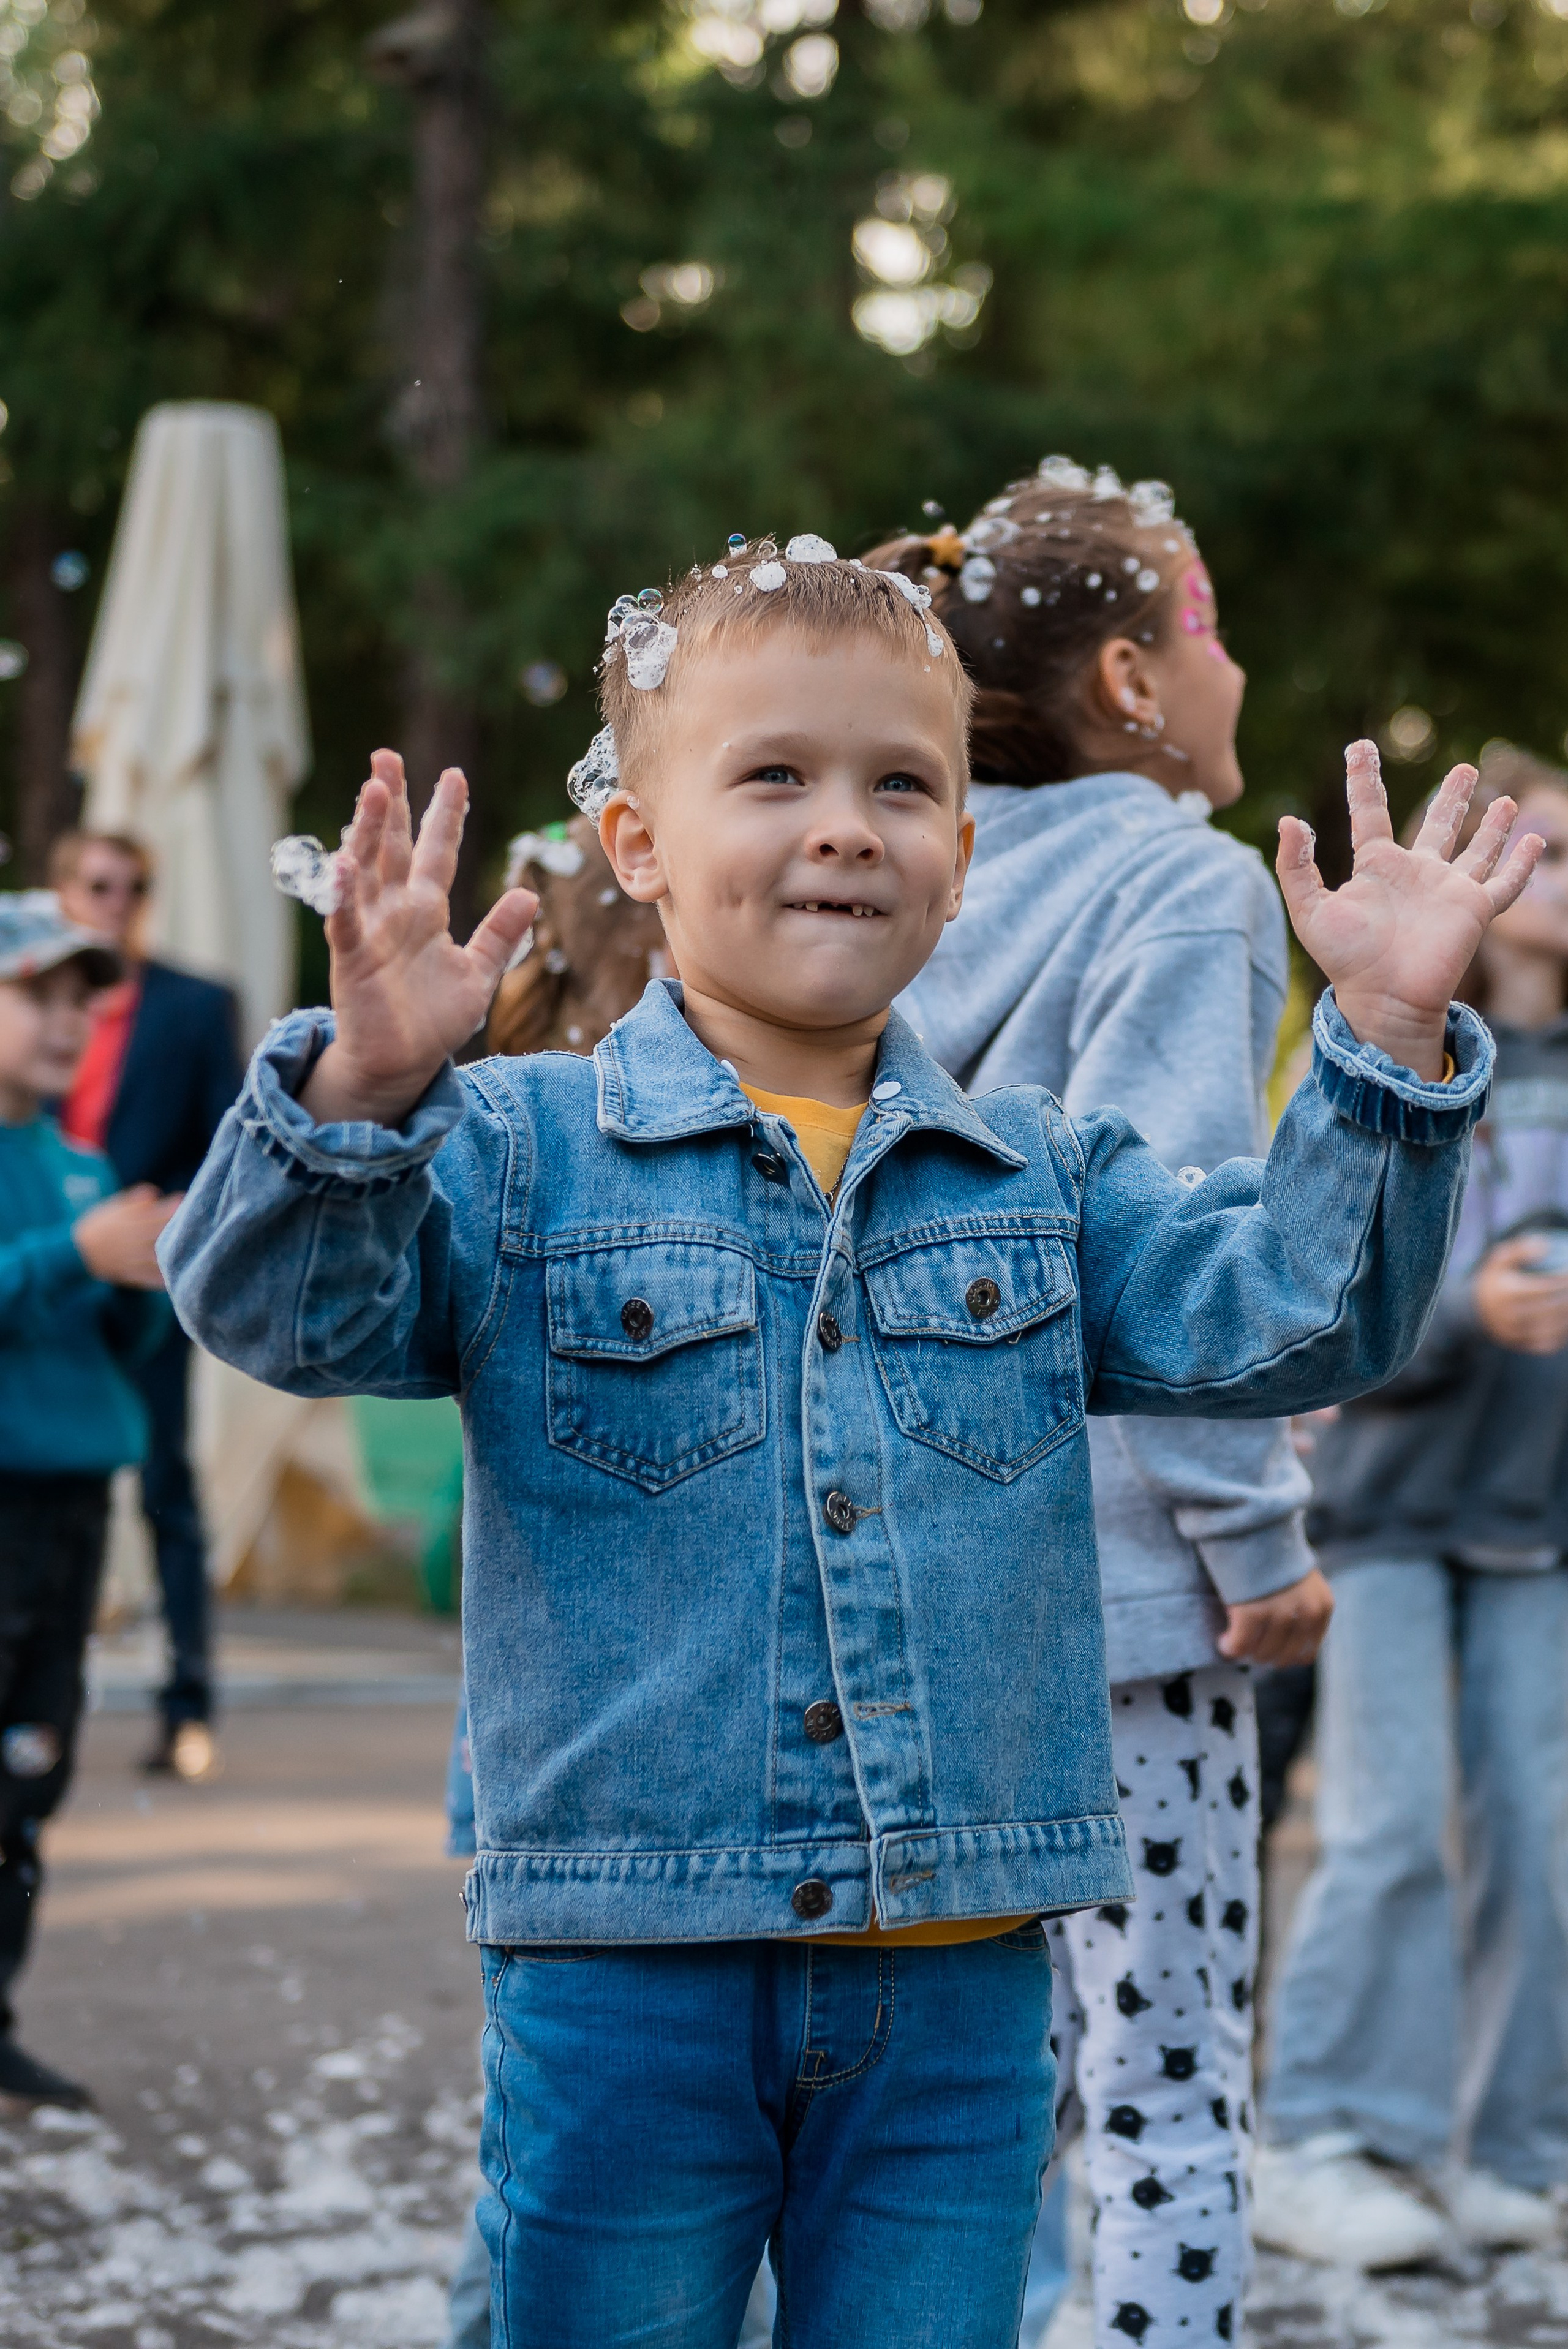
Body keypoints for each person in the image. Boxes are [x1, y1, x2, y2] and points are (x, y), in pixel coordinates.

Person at [162, 537, 1529, 2349]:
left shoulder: (1044, 1176)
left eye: (904, 783)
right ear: (640, 846)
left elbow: (1293, 1317)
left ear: (964, 855)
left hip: (959, 1981)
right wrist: (358, 1093)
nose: (847, 825)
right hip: (627, 1972)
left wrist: (1381, 1038)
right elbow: (278, 1314)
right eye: (776, 776)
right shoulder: (511, 1146)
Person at [877, 462, 1332, 2347]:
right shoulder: (1189, 886)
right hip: (1136, 1598)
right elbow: (1178, 1258)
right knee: (1163, 2094)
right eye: (1210, 626)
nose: (1238, 668)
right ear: (1136, 682)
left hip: (914, 1558)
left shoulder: (908, 887)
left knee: (960, 2100)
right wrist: (1262, 1539)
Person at [1256, 744, 1568, 2267]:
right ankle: (1323, 2133)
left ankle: (1513, 2153)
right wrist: (1462, 1324)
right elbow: (1321, 1270)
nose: (1553, 881)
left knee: (1540, 1831)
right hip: (1384, 1503)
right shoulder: (1392, 1041)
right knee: (1385, 1831)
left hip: (1538, 1520)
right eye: (1543, 846)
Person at [0, 891, 177, 2107]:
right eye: (36, 994)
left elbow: (119, 1342)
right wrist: (77, 1257)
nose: (68, 1022)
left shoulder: (79, 1162)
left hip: (71, 1509)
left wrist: (142, 1278)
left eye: (82, 1000)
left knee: (30, 1773)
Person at [49, 831, 243, 1779]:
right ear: (61, 893)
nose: (114, 901)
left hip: (147, 1277)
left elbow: (223, 1145)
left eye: (132, 888)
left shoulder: (194, 1004)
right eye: (96, 885)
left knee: (166, 1484)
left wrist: (162, 1238)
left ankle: (189, 1702)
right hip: (48, 1269)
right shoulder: (32, 1008)